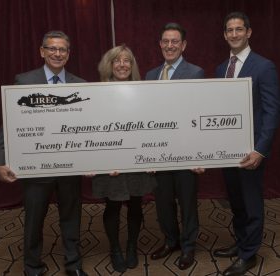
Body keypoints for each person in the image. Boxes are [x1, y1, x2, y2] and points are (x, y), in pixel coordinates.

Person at [0, 31, 88, 276]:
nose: (57, 53)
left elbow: (89, 126)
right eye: (52, 48)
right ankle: (32, 266)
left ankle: (73, 264)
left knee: (72, 217)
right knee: (34, 219)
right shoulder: (24, 81)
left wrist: (92, 158)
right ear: (42, 51)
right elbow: (9, 123)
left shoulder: (81, 85)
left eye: (63, 50)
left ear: (69, 54)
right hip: (36, 166)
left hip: (70, 165)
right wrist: (1, 158)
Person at [213, 12, 280, 276]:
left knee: (251, 202)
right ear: (225, 35)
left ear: (249, 32)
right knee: (236, 201)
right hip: (227, 152)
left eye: (239, 29)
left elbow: (272, 111)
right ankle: (241, 243)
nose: (234, 34)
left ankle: (249, 254)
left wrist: (261, 150)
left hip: (252, 151)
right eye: (229, 30)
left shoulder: (264, 66)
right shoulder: (221, 69)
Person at [91, 45, 157, 273]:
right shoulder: (96, 94)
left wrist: (150, 157)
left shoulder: (143, 92)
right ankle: (115, 249)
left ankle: (131, 247)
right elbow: (93, 130)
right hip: (110, 162)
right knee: (113, 205)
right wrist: (102, 161)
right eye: (116, 60)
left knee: (136, 204)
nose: (122, 65)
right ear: (108, 65)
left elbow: (151, 126)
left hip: (137, 160)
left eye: (127, 60)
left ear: (132, 65)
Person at [145, 23, 204, 270]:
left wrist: (201, 154)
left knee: (187, 203)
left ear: (183, 45)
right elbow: (144, 117)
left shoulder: (196, 73)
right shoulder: (150, 76)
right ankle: (171, 241)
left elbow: (200, 115)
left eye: (175, 42)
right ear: (160, 44)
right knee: (163, 202)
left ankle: (188, 247)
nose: (170, 46)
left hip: (186, 152)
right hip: (160, 153)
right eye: (165, 41)